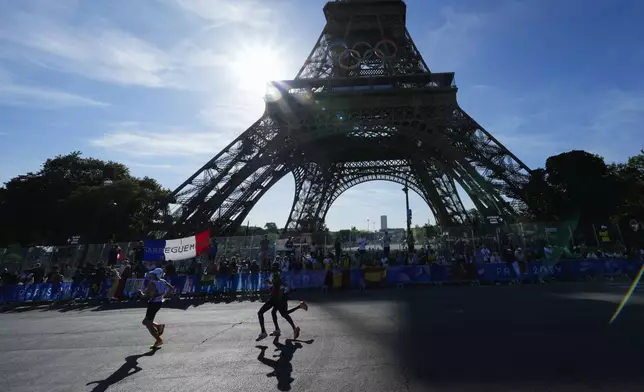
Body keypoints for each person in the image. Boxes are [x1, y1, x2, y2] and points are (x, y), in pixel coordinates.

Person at [257, 263, 308, 341]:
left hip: (278, 298)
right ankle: (279, 329)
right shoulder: (276, 275)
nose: (271, 269)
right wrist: (270, 283)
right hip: (279, 297)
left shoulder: (277, 276)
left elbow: (279, 286)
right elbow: (275, 285)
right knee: (279, 313)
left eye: (273, 268)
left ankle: (265, 332)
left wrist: (278, 296)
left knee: (266, 313)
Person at [139, 268, 174, 348]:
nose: (151, 275)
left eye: (153, 274)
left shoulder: (152, 283)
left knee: (148, 324)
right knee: (145, 322)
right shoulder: (163, 281)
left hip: (153, 304)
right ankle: (159, 326)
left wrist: (141, 294)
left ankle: (158, 340)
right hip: (158, 303)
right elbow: (171, 288)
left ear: (156, 275)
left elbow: (148, 296)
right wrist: (164, 296)